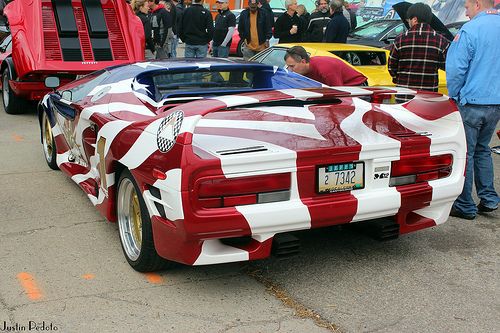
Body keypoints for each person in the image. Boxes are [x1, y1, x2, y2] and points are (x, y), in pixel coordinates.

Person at [446, 0, 500, 220]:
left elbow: (457, 68)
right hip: (495, 102)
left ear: (477, 4)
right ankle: (489, 199)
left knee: (466, 153)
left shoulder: (470, 29)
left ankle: (465, 205)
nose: (466, 13)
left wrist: (455, 95)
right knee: (483, 149)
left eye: (467, 8)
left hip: (471, 103)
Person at [388, 3, 449, 100]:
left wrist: (397, 78)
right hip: (428, 98)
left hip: (404, 98)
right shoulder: (441, 41)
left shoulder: (400, 39)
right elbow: (446, 66)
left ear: (415, 19)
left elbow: (391, 68)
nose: (408, 22)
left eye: (408, 20)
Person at [284, 46, 367, 86]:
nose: (290, 70)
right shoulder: (303, 70)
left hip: (357, 88)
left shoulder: (325, 69)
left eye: (292, 66)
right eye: (288, 66)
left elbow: (338, 92)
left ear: (303, 61)